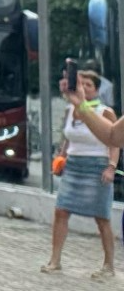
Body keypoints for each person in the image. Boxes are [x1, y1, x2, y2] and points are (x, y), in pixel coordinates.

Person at [51, 70, 120, 278]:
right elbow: (67, 137)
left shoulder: (105, 111)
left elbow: (114, 141)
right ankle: (55, 260)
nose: (85, 88)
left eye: (89, 85)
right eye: (82, 84)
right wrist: (61, 158)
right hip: (74, 165)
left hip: (96, 166)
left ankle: (108, 265)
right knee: (61, 211)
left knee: (102, 217)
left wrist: (111, 166)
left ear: (97, 90)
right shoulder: (70, 109)